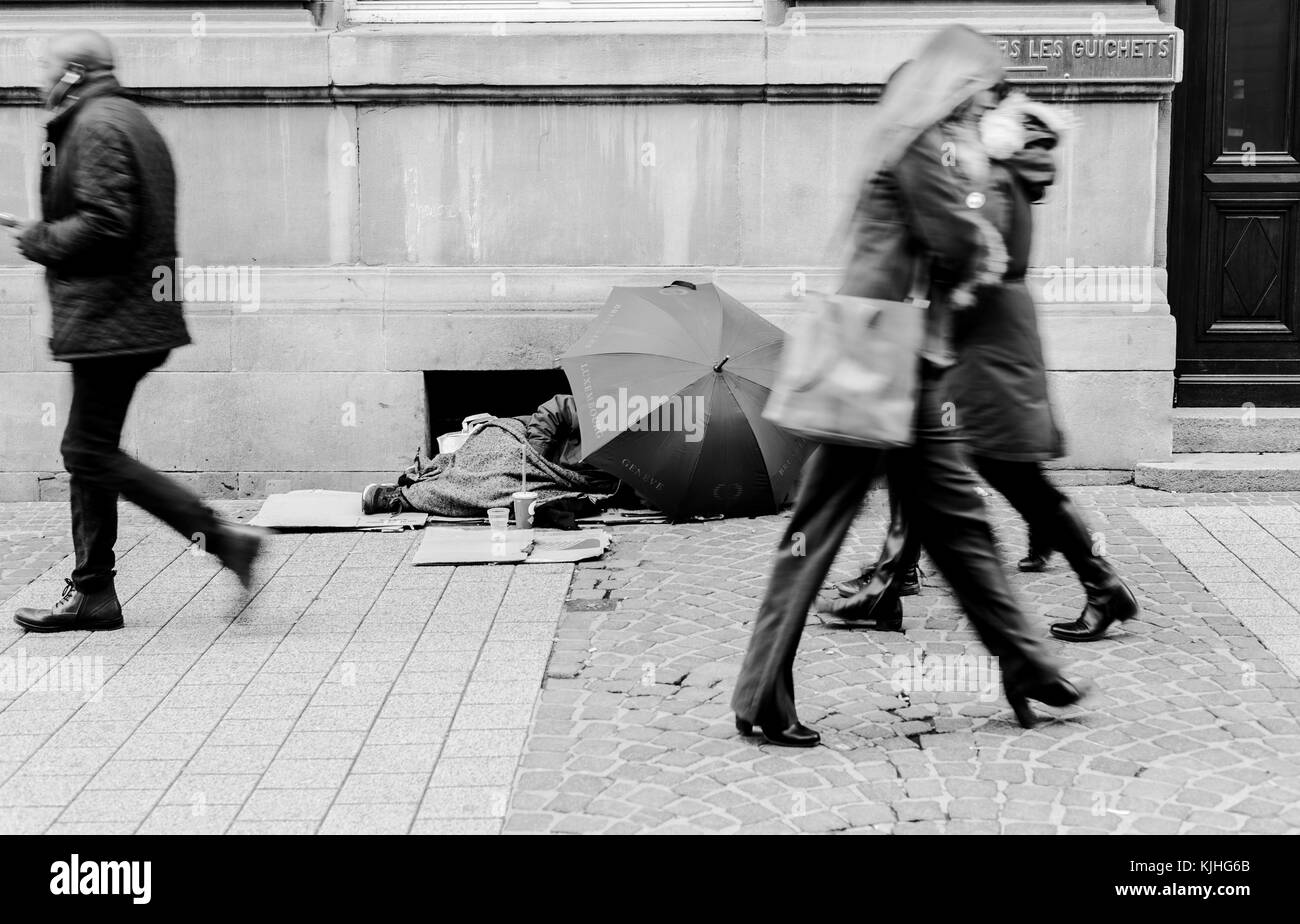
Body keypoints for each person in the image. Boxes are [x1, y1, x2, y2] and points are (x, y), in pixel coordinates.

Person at [730, 25, 1090, 747]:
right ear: (957, 84)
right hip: (876, 360)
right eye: (984, 85)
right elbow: (960, 243)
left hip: (903, 362)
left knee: (957, 525)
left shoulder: (917, 138)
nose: (990, 99)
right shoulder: (924, 144)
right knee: (820, 528)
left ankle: (1027, 665)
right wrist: (980, 228)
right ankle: (762, 693)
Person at [824, 93, 1141, 644]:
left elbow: (966, 256)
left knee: (1008, 479)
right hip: (990, 345)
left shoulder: (993, 181)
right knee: (942, 468)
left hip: (984, 351)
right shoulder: (1007, 177)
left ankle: (1102, 585)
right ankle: (887, 584)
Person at [9, 30, 262, 633]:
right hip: (125, 315)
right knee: (88, 452)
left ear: (73, 72)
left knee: (87, 451)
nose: (37, 81)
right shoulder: (123, 117)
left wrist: (38, 239)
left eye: (45, 68)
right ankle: (93, 591)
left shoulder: (97, 124)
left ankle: (224, 540)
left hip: (113, 318)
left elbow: (108, 223)